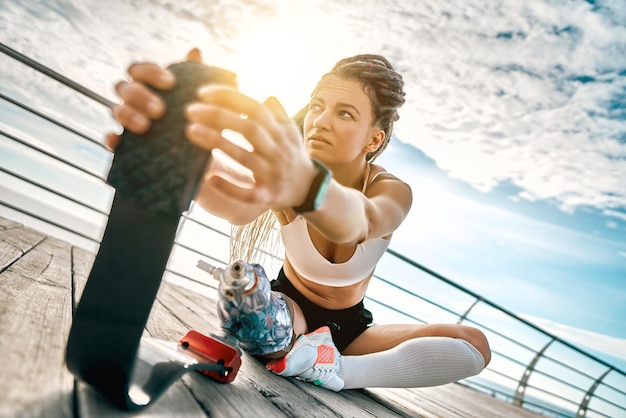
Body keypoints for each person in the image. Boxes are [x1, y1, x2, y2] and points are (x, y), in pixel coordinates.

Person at [108, 49, 491, 391]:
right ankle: (295, 346)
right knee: (253, 306)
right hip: (290, 312)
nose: (320, 121)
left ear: (373, 140)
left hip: (352, 331)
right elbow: (236, 203)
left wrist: (307, 187)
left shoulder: (389, 190)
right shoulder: (287, 176)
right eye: (317, 105)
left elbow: (360, 220)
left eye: (344, 113)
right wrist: (181, 153)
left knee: (474, 344)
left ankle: (335, 369)